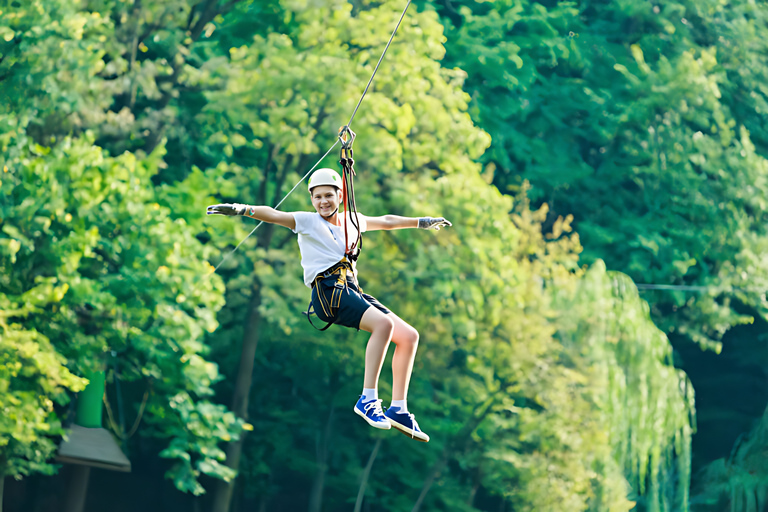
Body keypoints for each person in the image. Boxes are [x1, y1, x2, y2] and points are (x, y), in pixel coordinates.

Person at [207, 167, 451, 442]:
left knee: (408, 336)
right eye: (317, 197)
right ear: (311, 200)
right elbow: (274, 215)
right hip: (327, 293)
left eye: (328, 196)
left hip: (350, 289)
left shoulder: (353, 220)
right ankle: (368, 399)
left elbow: (387, 220)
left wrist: (422, 222)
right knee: (383, 324)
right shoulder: (308, 222)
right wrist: (240, 209)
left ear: (341, 195)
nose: (323, 202)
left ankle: (399, 409)